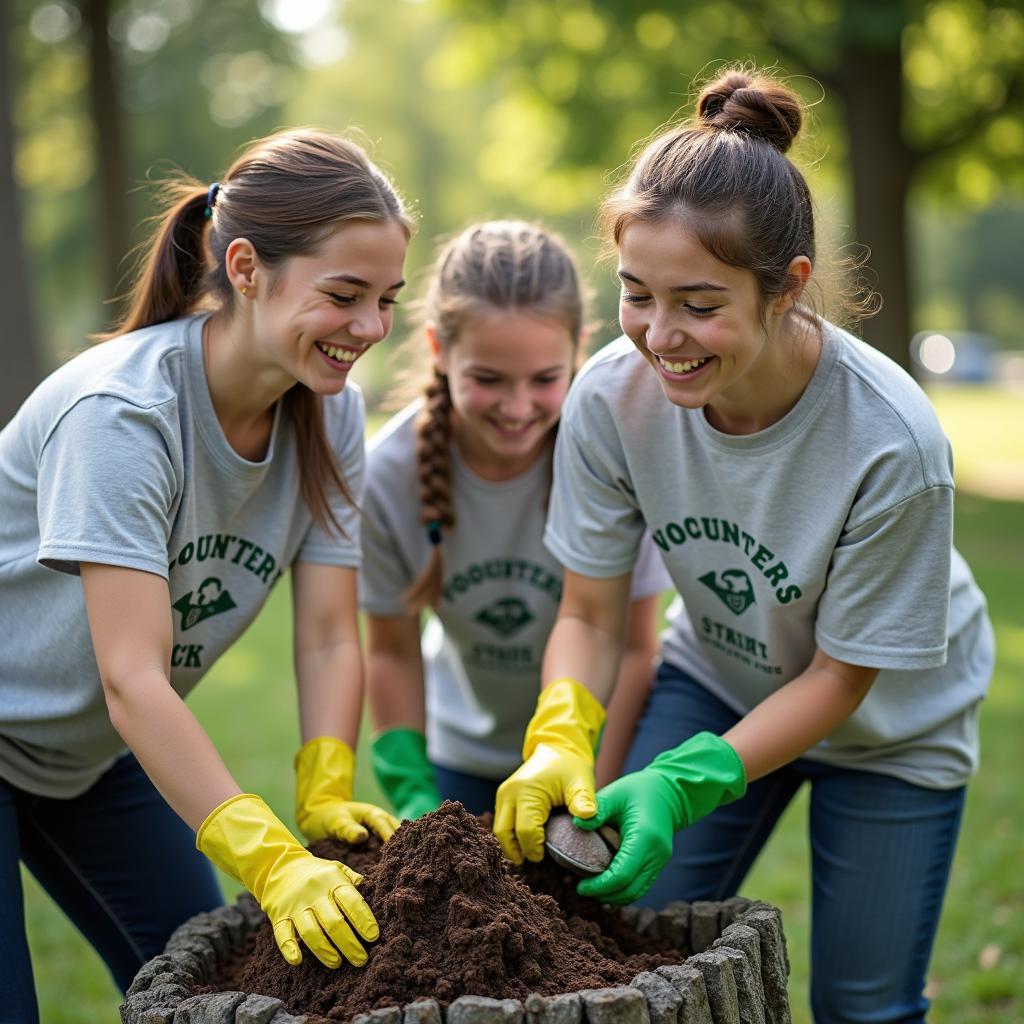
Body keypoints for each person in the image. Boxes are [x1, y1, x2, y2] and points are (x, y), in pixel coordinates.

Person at [493, 69, 994, 1024]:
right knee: (620, 946)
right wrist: (562, 726)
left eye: (698, 304)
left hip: (895, 728)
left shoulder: (892, 439)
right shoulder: (609, 398)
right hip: (721, 675)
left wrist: (688, 781)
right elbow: (591, 610)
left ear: (787, 288)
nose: (660, 336)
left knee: (862, 1008)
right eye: (637, 295)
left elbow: (844, 678)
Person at [0, 128, 409, 1019]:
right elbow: (132, 678)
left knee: (224, 1000)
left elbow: (332, 630)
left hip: (88, 762)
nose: (370, 329)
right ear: (247, 266)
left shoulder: (326, 408)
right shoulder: (124, 415)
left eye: (386, 300)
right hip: (58, 721)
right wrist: (267, 856)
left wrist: (326, 780)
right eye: (344, 295)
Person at [360, 221, 670, 819]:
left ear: (578, 349)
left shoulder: (619, 458)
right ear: (438, 349)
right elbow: (391, 649)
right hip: (462, 758)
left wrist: (591, 787)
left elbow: (634, 650)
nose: (518, 407)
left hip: (591, 750)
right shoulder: (387, 475)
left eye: (545, 379)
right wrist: (413, 792)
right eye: (488, 379)